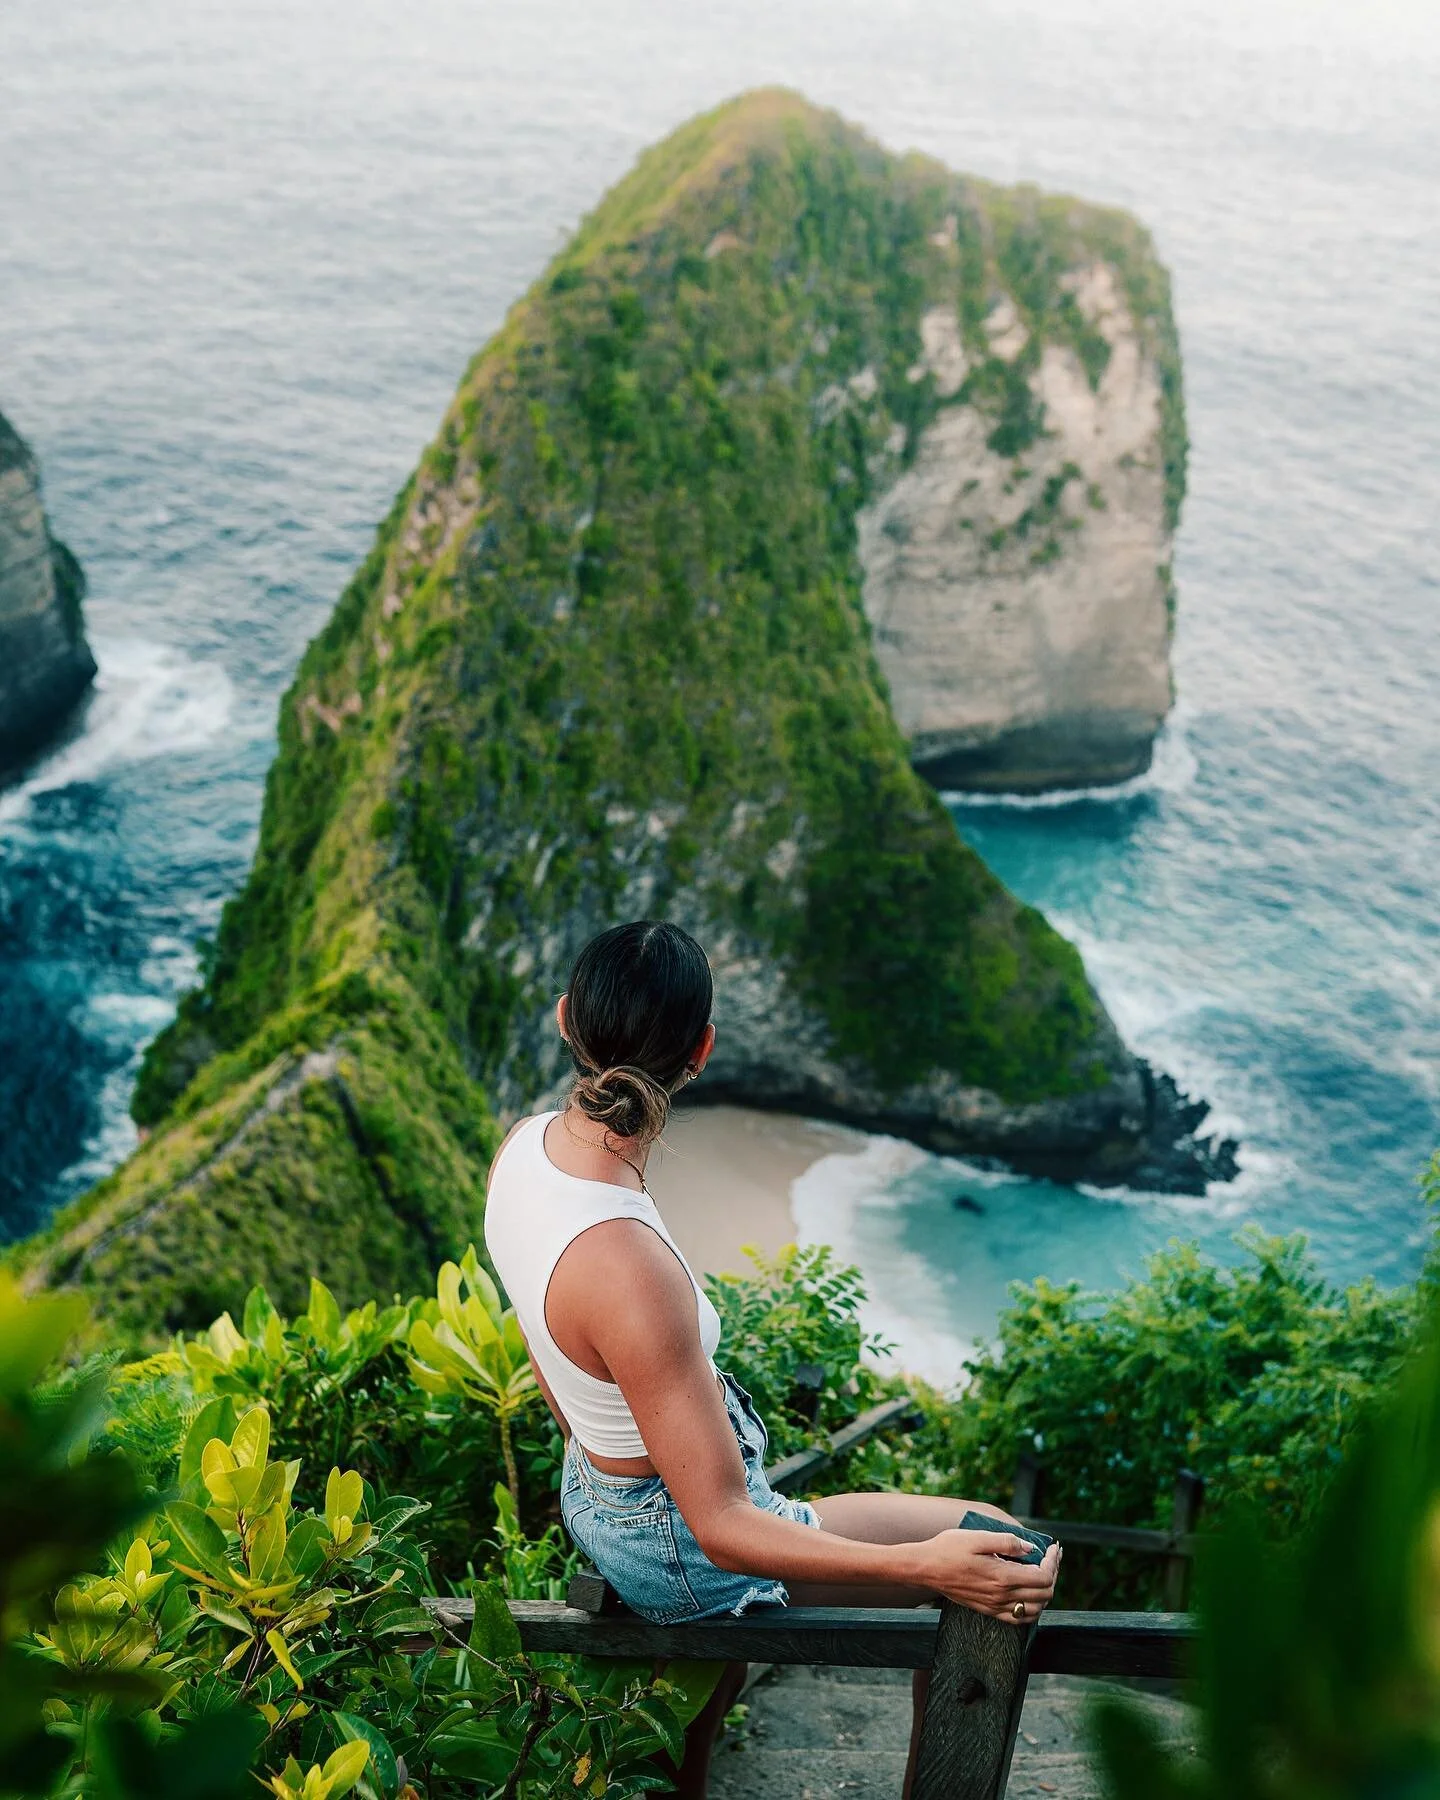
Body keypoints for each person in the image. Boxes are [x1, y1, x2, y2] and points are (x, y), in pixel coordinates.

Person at [484, 919, 1060, 1796]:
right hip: (683, 1538)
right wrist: (926, 1567)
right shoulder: (627, 1262)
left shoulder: (521, 1151)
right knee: (998, 1551)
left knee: (980, 1548)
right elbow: (721, 1529)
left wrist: (605, 1456)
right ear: (703, 1051)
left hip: (603, 1492)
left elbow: (542, 1349)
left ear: (566, 1019)